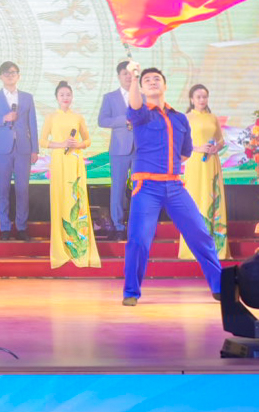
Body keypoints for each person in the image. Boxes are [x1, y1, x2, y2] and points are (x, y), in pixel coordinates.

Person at [121, 62, 222, 306]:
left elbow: (185, 153)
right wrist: (134, 77)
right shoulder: (141, 113)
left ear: (165, 85)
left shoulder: (179, 118)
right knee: (139, 240)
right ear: (141, 89)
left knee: (200, 234)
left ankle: (220, 287)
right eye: (147, 80)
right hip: (147, 187)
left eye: (157, 79)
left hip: (175, 187)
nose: (152, 82)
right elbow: (134, 103)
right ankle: (131, 292)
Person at [43, 81, 100, 269]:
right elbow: (42, 141)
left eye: (68, 94)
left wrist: (78, 144)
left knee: (76, 199)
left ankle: (78, 248)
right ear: (56, 98)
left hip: (75, 161)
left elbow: (88, 140)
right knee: (60, 199)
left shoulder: (78, 117)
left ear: (72, 97)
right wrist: (61, 144)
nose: (65, 97)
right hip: (59, 161)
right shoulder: (51, 117)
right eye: (62, 95)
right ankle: (61, 249)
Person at [0, 61, 39, 240]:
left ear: (19, 76)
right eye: (6, 73)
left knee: (22, 190)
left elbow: (33, 124)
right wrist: (3, 119)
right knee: (2, 189)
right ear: (0, 76)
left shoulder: (27, 97)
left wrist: (35, 149)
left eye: (13, 72)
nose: (10, 75)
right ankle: (5, 227)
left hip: (23, 149)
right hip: (2, 149)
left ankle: (21, 227)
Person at [181, 83, 230, 261]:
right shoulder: (186, 118)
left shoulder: (212, 117)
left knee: (213, 199)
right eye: (198, 97)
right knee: (195, 199)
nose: (202, 100)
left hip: (212, 162)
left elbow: (221, 140)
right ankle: (193, 248)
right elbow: (180, 143)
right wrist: (198, 148)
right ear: (192, 99)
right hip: (195, 162)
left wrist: (216, 147)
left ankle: (216, 248)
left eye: (204, 97)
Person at [97, 60, 136, 240]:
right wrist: (123, 120)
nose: (128, 76)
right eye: (124, 73)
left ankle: (136, 225)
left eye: (130, 73)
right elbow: (102, 120)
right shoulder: (110, 97)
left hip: (140, 150)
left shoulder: (143, 96)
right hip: (119, 149)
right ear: (119, 76)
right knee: (118, 189)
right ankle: (118, 226)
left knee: (139, 189)